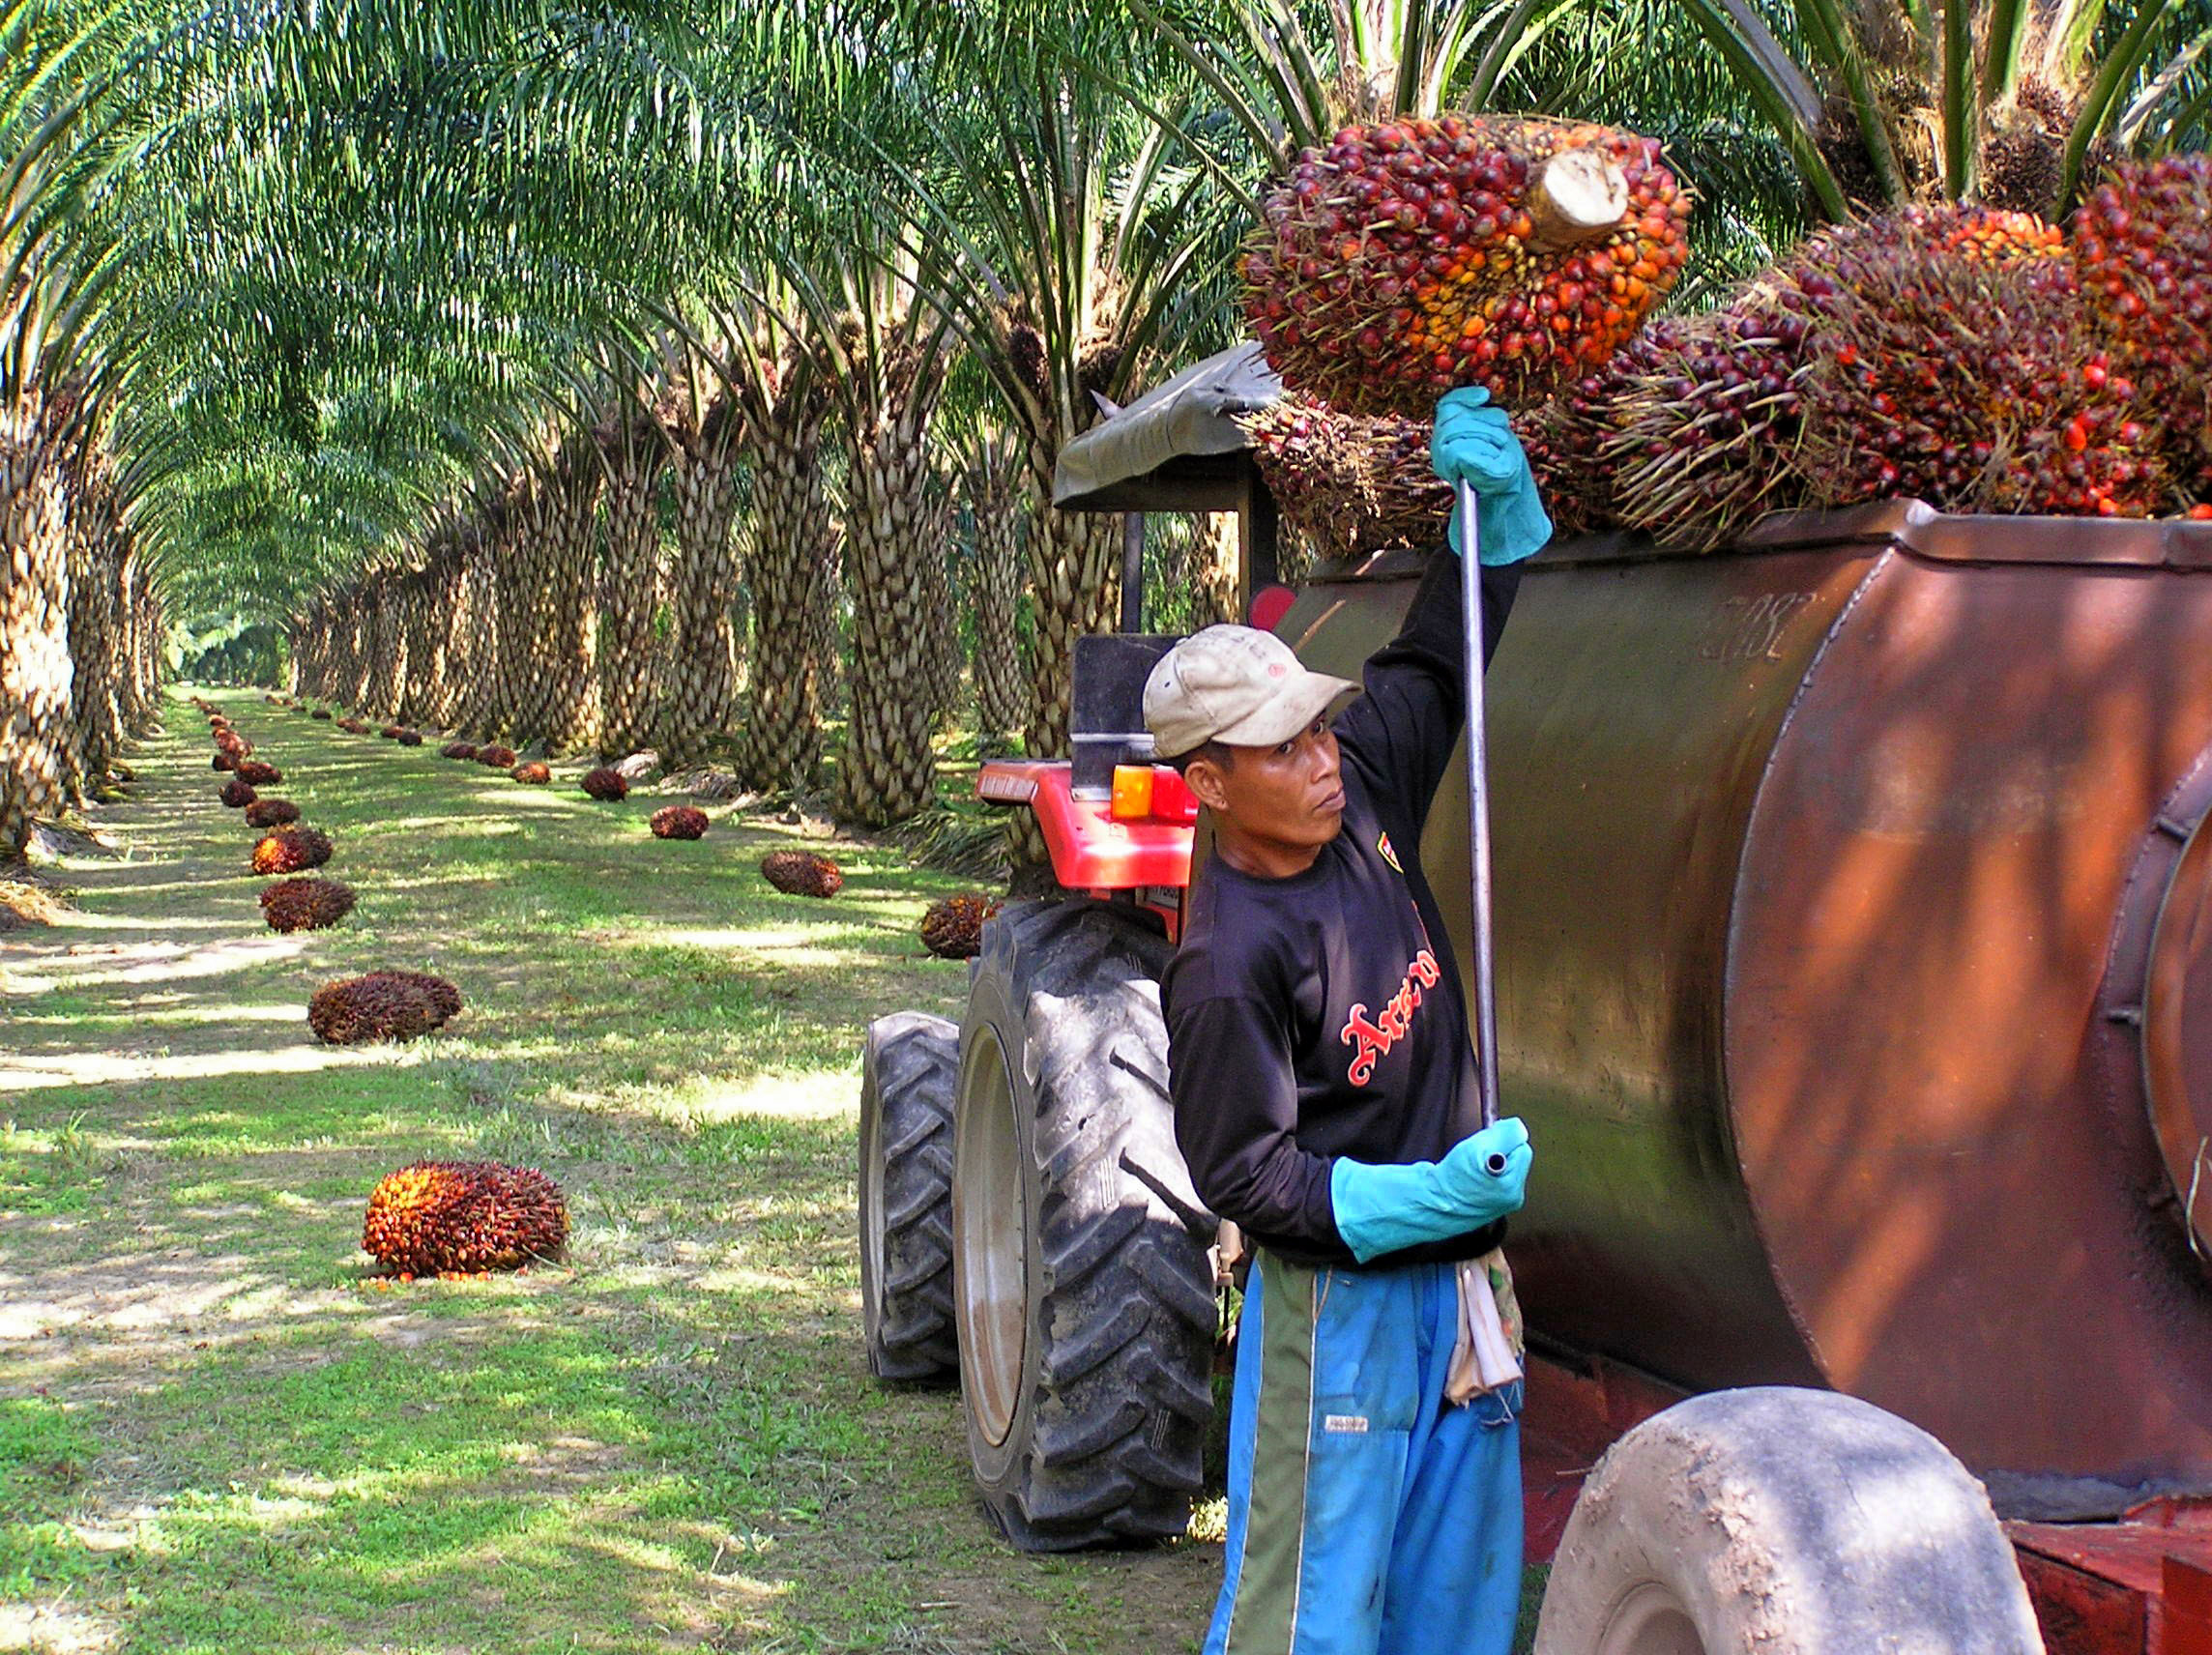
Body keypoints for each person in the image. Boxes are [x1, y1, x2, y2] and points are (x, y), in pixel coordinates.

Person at [1145, 387, 1552, 1655]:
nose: (1323, 757)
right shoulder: (1223, 964)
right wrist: (1415, 1198)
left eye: (1320, 726)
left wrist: (1492, 525)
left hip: (1467, 1295)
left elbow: (1439, 656)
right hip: (1342, 1325)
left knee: (1457, 1615)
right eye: (1283, 747)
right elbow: (1245, 1173)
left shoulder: (1363, 782)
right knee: (1309, 1623)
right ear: (1209, 782)